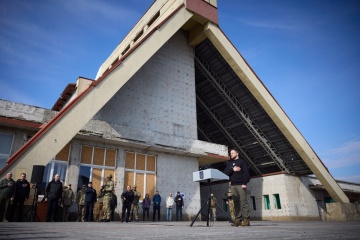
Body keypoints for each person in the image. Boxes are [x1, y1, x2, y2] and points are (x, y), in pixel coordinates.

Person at [224, 149, 251, 227]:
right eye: (230, 153)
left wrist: (244, 183)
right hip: (233, 185)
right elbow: (225, 173)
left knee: (244, 202)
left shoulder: (242, 162)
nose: (231, 154)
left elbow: (246, 172)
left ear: (237, 153)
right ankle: (238, 220)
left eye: (232, 153)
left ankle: (246, 220)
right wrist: (233, 169)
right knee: (236, 203)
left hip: (241, 184)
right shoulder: (230, 164)